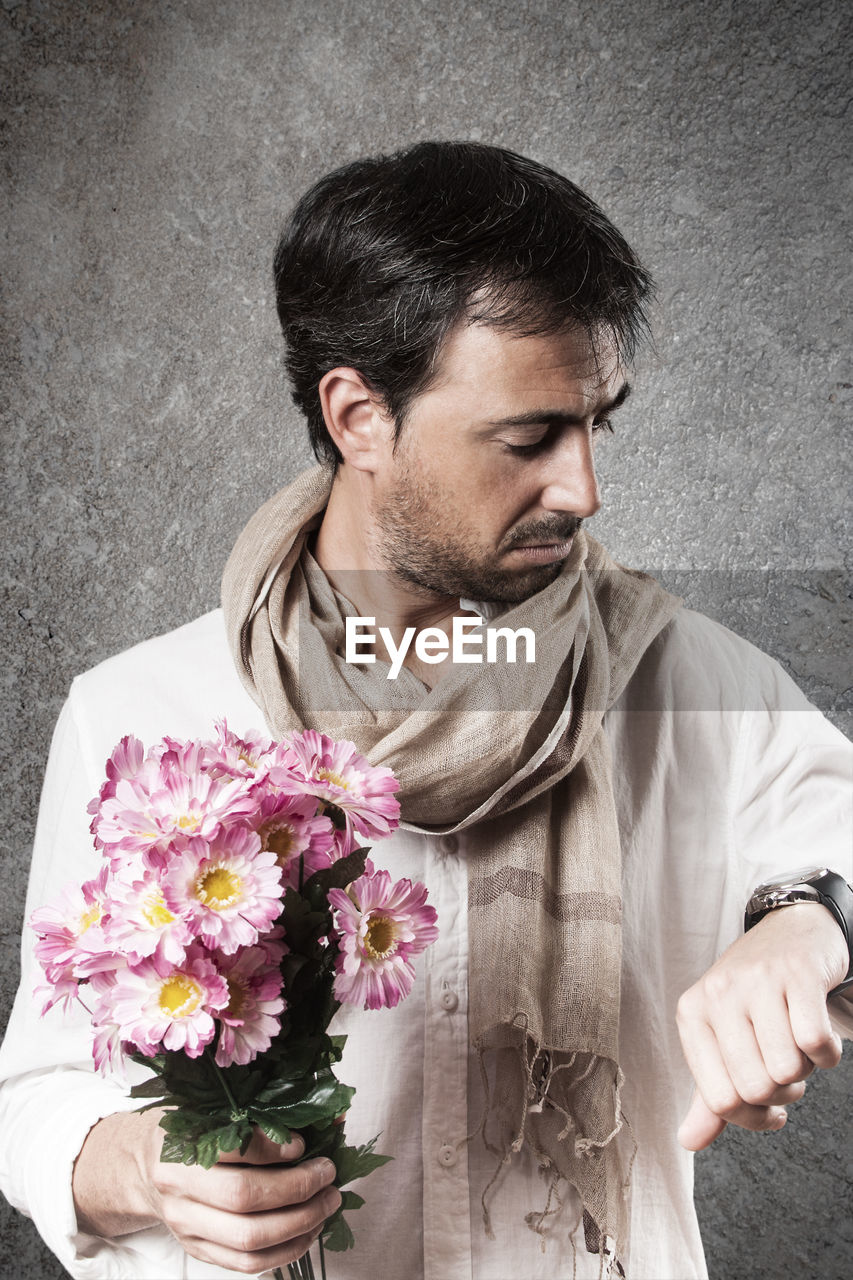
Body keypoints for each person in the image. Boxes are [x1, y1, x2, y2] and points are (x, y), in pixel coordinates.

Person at [1, 140, 851, 1280]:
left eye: (598, 422)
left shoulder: (682, 682)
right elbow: (40, 1092)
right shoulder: (143, 720)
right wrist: (150, 1166)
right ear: (357, 415)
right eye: (529, 436)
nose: (583, 488)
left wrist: (811, 917)